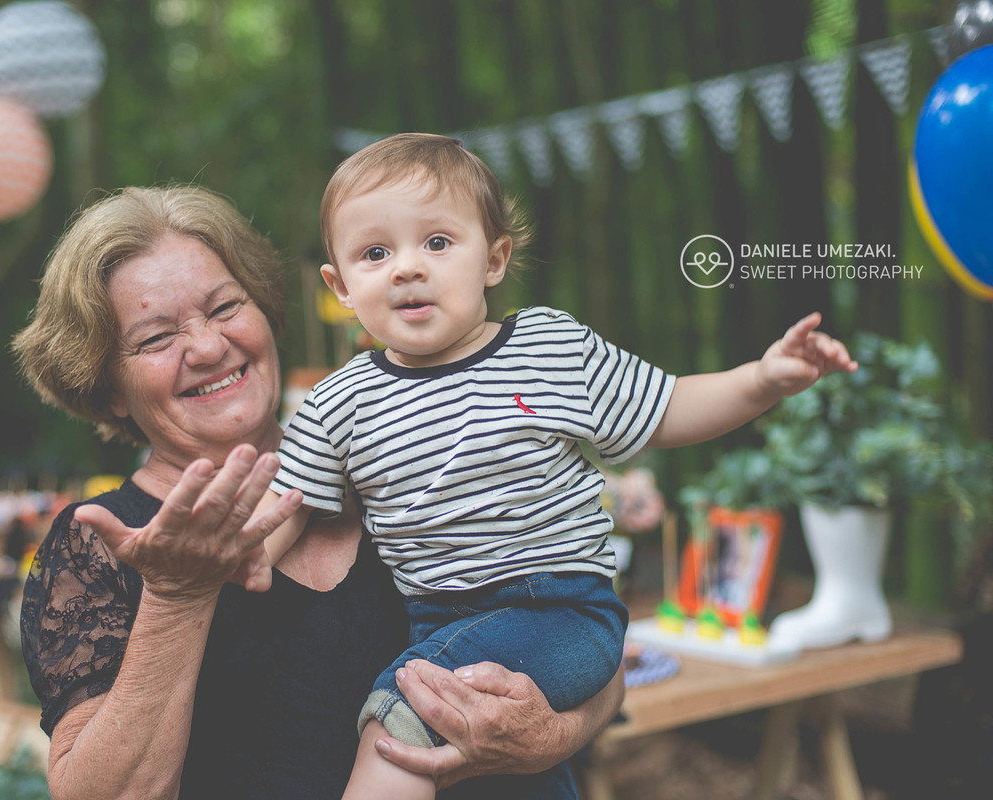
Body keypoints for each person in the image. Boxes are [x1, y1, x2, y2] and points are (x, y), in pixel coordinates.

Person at [258, 133, 858, 799]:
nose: (407, 268)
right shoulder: (336, 404)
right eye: (376, 253)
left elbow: (668, 408)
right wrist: (221, 559)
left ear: (494, 258)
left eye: (437, 242)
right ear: (340, 285)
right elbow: (284, 509)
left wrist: (763, 379)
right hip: (439, 622)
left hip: (563, 610)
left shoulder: (549, 348)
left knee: (399, 726)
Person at [13, 184, 625, 800]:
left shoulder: (401, 460)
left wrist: (554, 735)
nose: (207, 346)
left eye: (225, 307)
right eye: (155, 338)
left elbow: (588, 640)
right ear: (107, 388)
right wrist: (177, 595)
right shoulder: (98, 544)